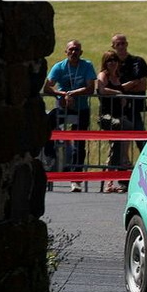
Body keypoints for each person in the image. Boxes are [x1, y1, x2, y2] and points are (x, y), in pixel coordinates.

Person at [43, 39, 97, 193]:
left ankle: (76, 178)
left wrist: (73, 93)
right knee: (48, 123)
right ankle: (49, 155)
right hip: (63, 107)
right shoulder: (59, 67)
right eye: (71, 50)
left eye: (77, 50)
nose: (74, 52)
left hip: (81, 108)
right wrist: (62, 94)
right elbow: (47, 87)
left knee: (79, 144)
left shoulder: (86, 65)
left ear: (81, 52)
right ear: (66, 52)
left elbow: (90, 88)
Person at [96, 49, 133, 193]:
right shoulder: (103, 75)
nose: (112, 63)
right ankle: (109, 182)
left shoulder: (117, 77)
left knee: (119, 146)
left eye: (115, 60)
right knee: (114, 148)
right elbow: (102, 90)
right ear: (105, 63)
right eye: (109, 60)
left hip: (119, 117)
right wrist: (118, 93)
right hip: (107, 117)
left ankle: (118, 175)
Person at [111, 33, 147, 152]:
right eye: (118, 44)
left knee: (141, 140)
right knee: (117, 143)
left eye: (123, 43)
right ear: (113, 46)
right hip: (117, 109)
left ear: (127, 44)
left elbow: (143, 85)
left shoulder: (138, 62)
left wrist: (121, 89)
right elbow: (108, 86)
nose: (121, 46)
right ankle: (120, 166)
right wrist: (134, 82)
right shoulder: (111, 63)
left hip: (134, 108)